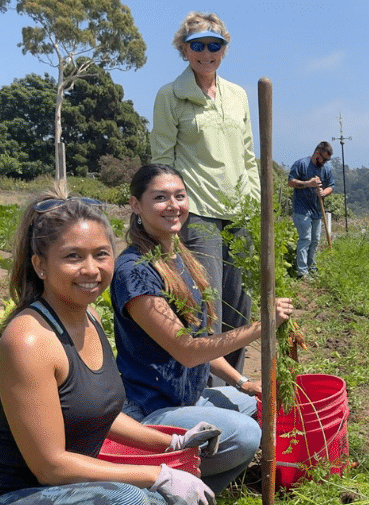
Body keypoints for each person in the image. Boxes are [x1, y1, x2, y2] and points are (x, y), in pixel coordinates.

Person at [0, 192, 216, 505]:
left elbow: (99, 412)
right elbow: (51, 467)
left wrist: (174, 442)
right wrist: (159, 475)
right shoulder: (29, 339)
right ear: (40, 264)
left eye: (101, 254)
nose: (91, 269)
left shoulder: (90, 317)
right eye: (73, 257)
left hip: (54, 501)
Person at [111, 164, 294, 495]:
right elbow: (187, 350)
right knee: (246, 435)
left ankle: (195, 487)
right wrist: (262, 327)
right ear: (136, 205)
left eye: (179, 196)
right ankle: (166, 494)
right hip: (151, 411)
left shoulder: (179, 257)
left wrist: (241, 382)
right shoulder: (133, 272)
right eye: (160, 197)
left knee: (261, 406)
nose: (174, 205)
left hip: (187, 397)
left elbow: (200, 340)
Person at [151, 11, 260, 375]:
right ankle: (206, 389)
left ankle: (236, 386)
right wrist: (170, 209)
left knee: (238, 306)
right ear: (184, 49)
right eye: (198, 45)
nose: (206, 52)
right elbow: (163, 159)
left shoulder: (238, 95)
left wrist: (255, 202)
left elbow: (247, 155)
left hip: (239, 212)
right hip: (197, 211)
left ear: (224, 49)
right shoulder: (170, 96)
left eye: (215, 44)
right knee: (206, 304)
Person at [288, 141, 336, 279]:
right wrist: (308, 183)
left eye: (328, 160)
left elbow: (331, 186)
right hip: (302, 210)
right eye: (324, 159)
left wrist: (324, 193)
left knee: (315, 241)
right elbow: (291, 182)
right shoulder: (301, 164)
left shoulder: (326, 169)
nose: (325, 162)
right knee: (306, 239)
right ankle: (302, 273)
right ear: (317, 154)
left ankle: (312, 269)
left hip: (316, 211)